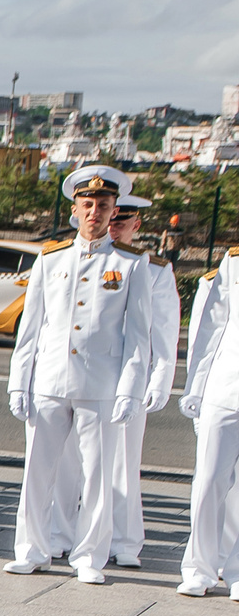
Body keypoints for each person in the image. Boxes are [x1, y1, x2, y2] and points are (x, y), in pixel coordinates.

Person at [5, 165, 154, 583]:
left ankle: (89, 556)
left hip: (100, 383)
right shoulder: (51, 260)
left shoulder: (130, 264)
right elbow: (31, 327)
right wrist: (20, 379)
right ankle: (31, 549)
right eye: (87, 204)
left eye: (103, 206)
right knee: (38, 470)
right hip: (50, 380)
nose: (94, 212)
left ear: (113, 211)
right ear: (75, 208)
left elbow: (138, 336)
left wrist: (130, 388)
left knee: (99, 476)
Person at [106, 194, 181, 568]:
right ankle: (70, 532)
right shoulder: (87, 260)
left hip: (130, 376)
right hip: (91, 373)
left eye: (123, 221)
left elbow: (165, 330)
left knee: (124, 460)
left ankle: (125, 541)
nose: (114, 225)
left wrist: (161, 378)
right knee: (76, 461)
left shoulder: (154, 269)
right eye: (110, 218)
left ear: (137, 226)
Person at [180, 248, 239, 595]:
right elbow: (212, 327)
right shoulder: (234, 261)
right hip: (225, 385)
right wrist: (196, 387)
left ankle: (236, 571)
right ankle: (199, 568)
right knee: (209, 480)